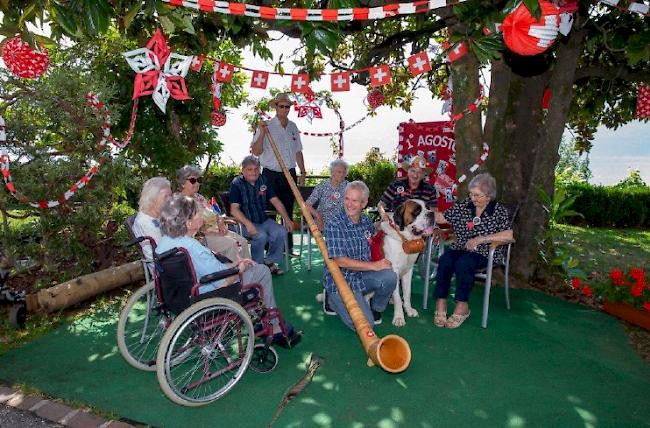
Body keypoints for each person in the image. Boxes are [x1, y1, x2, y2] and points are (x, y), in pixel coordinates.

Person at [155, 194, 278, 313]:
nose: (201, 215)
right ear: (188, 223)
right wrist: (239, 269)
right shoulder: (192, 247)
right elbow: (223, 282)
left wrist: (234, 264)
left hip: (181, 298)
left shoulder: (164, 243)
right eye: (198, 213)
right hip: (208, 295)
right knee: (262, 270)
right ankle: (273, 324)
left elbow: (209, 270)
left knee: (244, 266)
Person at [432, 173, 513, 329]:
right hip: (461, 247)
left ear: (488, 196)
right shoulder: (464, 205)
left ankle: (462, 306)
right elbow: (443, 219)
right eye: (471, 194)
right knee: (445, 259)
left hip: (484, 252)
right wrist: (433, 204)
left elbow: (508, 235)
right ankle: (441, 303)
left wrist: (481, 239)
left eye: (477, 195)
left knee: (464, 263)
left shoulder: (498, 211)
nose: (472, 198)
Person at [323, 181, 397, 329]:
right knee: (366, 325)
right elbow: (340, 261)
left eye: (354, 200)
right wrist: (375, 266)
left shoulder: (365, 220)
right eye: (347, 199)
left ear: (364, 203)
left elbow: (373, 234)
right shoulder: (335, 224)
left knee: (390, 276)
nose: (349, 204)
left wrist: (385, 223)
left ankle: (375, 308)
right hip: (340, 281)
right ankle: (331, 299)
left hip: (362, 276)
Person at [251, 92, 306, 256]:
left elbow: (298, 151)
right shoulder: (265, 126)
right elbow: (256, 151)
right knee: (269, 211)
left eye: (287, 106)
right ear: (275, 107)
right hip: (269, 174)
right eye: (281, 106)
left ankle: (288, 249)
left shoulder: (293, 127)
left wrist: (303, 171)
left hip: (289, 173)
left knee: (288, 210)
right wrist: (261, 133)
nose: (285, 109)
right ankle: (270, 250)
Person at [229, 155, 294, 274]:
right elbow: (234, 209)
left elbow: (275, 200)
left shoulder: (263, 180)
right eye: (249, 169)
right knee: (261, 236)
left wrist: (287, 218)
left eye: (256, 169)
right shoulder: (237, 184)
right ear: (242, 170)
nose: (253, 172)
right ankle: (257, 266)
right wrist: (248, 224)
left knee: (281, 231)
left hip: (263, 220)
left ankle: (270, 261)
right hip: (243, 223)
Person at [176, 165, 250, 262]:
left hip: (217, 231)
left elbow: (215, 213)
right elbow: (187, 228)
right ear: (182, 183)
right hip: (202, 238)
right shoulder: (180, 201)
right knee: (232, 245)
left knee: (243, 242)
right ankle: (233, 274)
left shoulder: (199, 197)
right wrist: (214, 233)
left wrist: (220, 222)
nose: (197, 183)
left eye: (199, 180)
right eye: (193, 180)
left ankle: (249, 273)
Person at [378, 155, 437, 220]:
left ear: (424, 175)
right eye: (413, 171)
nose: (415, 175)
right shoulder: (395, 185)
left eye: (419, 172)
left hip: (418, 225)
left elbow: (434, 210)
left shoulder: (430, 190)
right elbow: (381, 204)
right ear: (408, 171)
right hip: (394, 222)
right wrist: (383, 215)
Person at [132, 177, 172, 264]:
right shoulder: (144, 222)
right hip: (164, 267)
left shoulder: (160, 216)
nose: (170, 200)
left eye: (170, 195)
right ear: (153, 198)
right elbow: (162, 251)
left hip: (173, 259)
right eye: (166, 196)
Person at [305, 159, 349, 230]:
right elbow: (307, 205)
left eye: (344, 172)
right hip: (323, 219)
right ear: (332, 172)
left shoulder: (348, 186)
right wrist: (318, 216)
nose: (341, 175)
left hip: (342, 219)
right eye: (339, 172)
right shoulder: (322, 186)